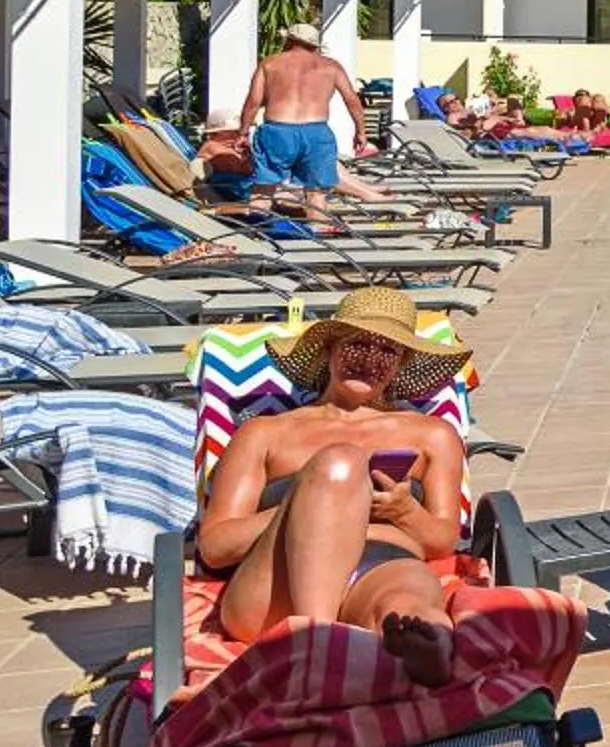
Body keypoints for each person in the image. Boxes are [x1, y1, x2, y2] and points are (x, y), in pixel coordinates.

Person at [194, 288, 470, 686]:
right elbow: (216, 548)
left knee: (412, 610)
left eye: (387, 352)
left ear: (401, 363)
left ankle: (422, 654)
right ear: (328, 350)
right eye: (357, 345)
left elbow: (444, 539)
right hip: (277, 588)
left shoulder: (433, 435)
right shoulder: (264, 433)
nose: (370, 361)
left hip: (382, 565)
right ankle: (320, 645)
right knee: (340, 463)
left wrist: (403, 511)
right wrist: (307, 501)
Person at [239, 25, 370, 218]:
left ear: (289, 40)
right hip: (316, 132)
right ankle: (318, 234)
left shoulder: (270, 63)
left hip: (277, 131)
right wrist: (361, 131)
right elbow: (352, 100)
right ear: (314, 45)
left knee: (263, 191)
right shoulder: (331, 66)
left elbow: (253, 101)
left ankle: (256, 233)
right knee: (316, 193)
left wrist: (242, 132)